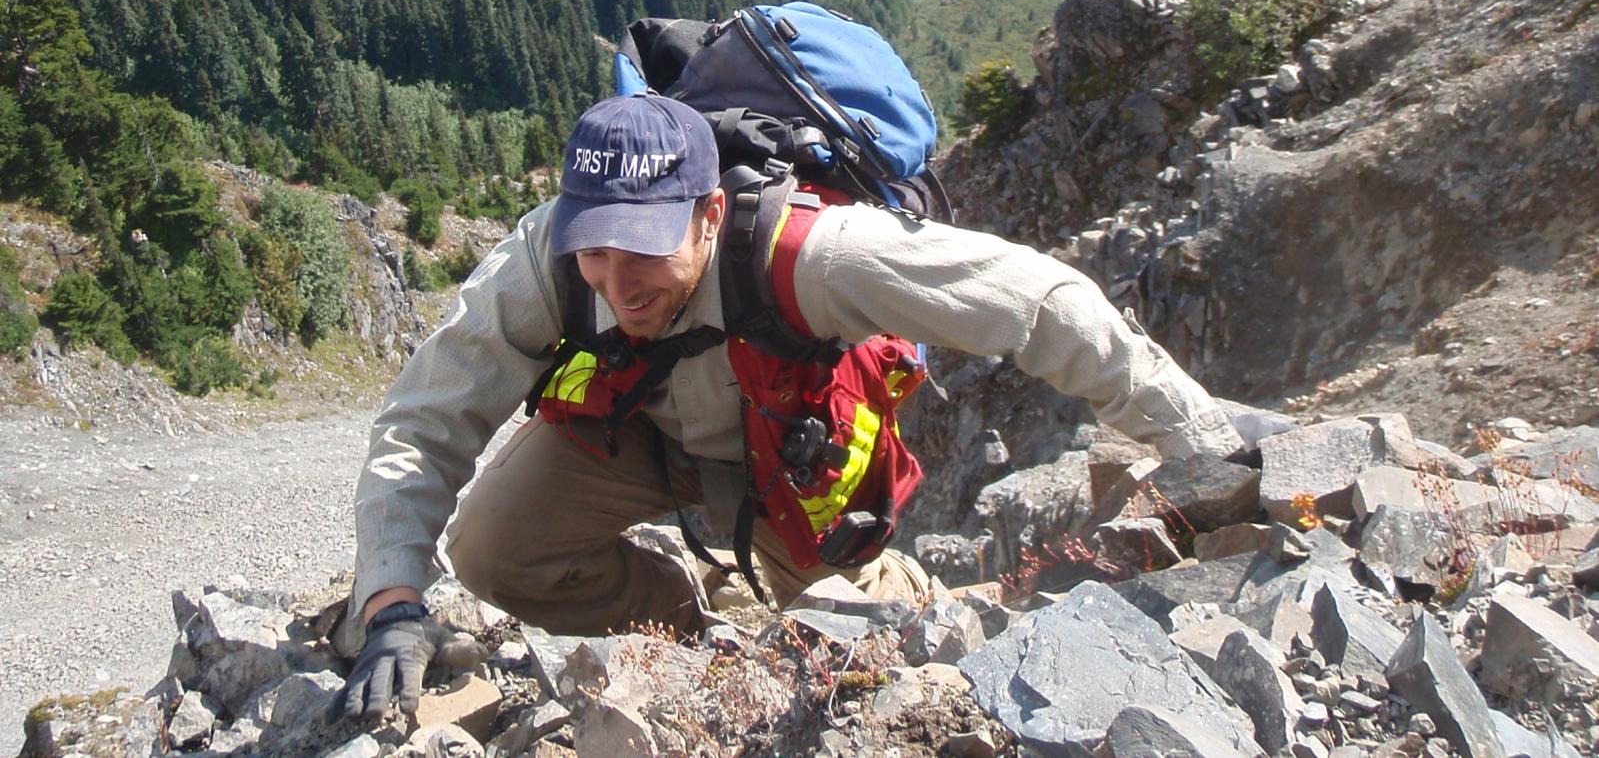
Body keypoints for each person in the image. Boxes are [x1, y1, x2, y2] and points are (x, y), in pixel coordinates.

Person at [339, 92, 1243, 719]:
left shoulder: (814, 255)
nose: (617, 285)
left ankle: (902, 587)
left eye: (643, 253)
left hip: (788, 460)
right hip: (640, 432)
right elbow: (423, 419)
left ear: (706, 211)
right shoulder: (545, 257)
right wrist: (390, 604)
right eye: (596, 254)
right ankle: (694, 625)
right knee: (492, 546)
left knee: (874, 636)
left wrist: (1205, 446)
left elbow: (1035, 300)